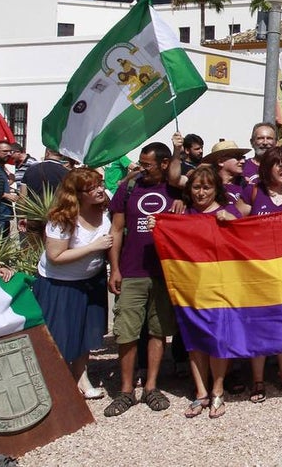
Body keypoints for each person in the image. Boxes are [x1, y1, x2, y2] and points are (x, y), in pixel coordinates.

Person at [104, 142, 178, 416]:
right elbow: (117, 228)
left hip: (164, 272)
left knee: (158, 330)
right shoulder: (129, 187)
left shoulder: (175, 189)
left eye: (147, 164)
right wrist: (115, 268)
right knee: (126, 332)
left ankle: (151, 386)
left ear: (164, 163)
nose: (141, 168)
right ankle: (125, 391)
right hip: (132, 270)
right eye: (141, 162)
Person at [32, 168, 112, 400]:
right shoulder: (63, 219)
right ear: (77, 194)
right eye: (91, 188)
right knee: (59, 334)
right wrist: (92, 247)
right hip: (60, 284)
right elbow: (56, 257)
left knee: (84, 332)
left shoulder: (103, 210)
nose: (99, 190)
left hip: (90, 281)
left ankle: (80, 377)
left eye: (100, 184)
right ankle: (52, 382)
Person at [235, 146, 282, 401]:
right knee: (259, 325)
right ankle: (258, 381)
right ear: (268, 167)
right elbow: (234, 217)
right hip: (257, 270)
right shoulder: (253, 192)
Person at [180, 165, 239, 418]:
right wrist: (157, 224)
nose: (201, 193)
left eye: (206, 187)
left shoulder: (229, 211)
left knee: (217, 338)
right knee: (194, 340)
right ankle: (200, 392)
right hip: (190, 286)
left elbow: (247, 239)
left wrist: (233, 222)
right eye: (196, 187)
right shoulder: (183, 214)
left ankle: (217, 389)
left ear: (216, 189)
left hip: (220, 286)